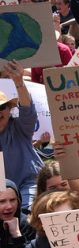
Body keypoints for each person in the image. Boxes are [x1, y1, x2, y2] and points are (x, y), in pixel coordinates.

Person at [0, 61, 43, 214]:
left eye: (2, 107)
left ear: (9, 109)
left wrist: (19, 81)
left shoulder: (20, 128)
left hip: (28, 184)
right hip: (2, 193)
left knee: (25, 217)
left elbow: (27, 110)